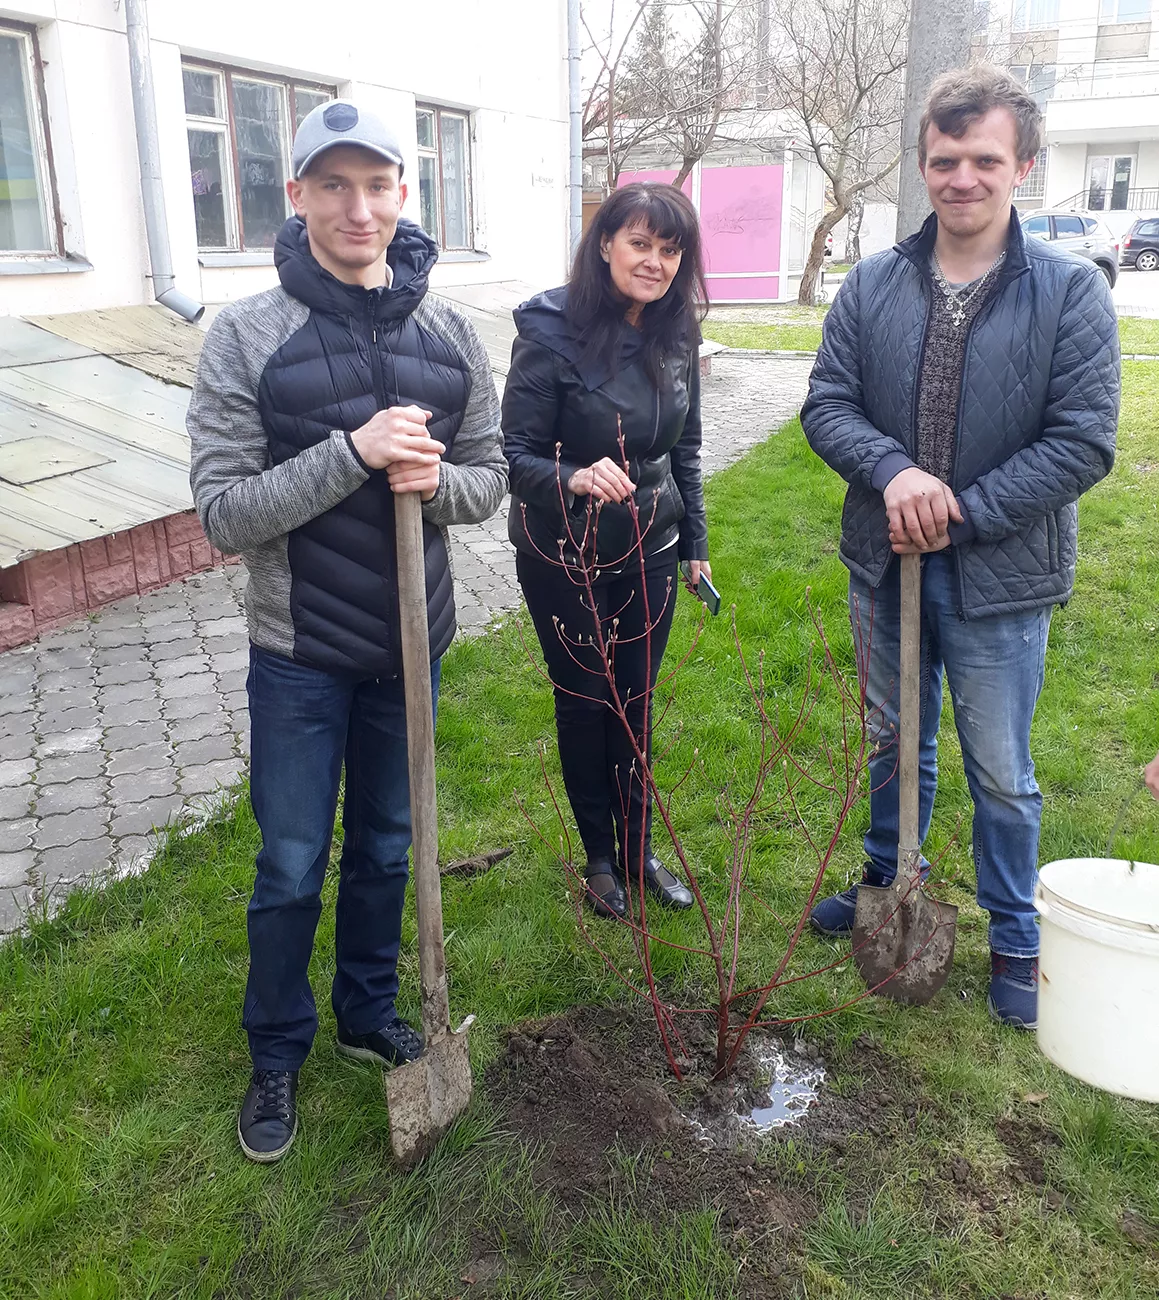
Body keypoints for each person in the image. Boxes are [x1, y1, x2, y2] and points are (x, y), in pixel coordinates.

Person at [188, 100, 507, 1163]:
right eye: (332, 185)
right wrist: (353, 453)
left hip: (412, 647)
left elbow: (488, 481)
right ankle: (276, 1048)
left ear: (402, 194)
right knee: (291, 860)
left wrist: (434, 480)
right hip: (298, 654)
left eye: (376, 185)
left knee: (387, 845)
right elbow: (224, 513)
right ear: (297, 197)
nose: (356, 207)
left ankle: (367, 1010)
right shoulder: (247, 335)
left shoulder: (451, 334)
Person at [801, 66, 1120, 1029]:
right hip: (882, 559)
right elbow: (826, 403)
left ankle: (1015, 933)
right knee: (892, 740)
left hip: (1001, 575)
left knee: (999, 770)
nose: (962, 178)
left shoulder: (1068, 291)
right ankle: (885, 878)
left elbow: (1082, 441)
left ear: (1022, 165)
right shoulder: (873, 283)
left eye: (984, 159)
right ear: (922, 164)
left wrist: (961, 512)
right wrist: (893, 472)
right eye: (944, 160)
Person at [502, 183, 710, 920]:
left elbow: (685, 448)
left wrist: (695, 544)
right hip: (565, 549)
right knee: (587, 700)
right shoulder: (549, 331)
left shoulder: (676, 332)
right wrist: (573, 476)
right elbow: (514, 455)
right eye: (640, 244)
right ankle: (598, 856)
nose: (655, 262)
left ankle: (637, 849)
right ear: (604, 245)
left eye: (669, 249)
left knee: (636, 702)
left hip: (652, 541)